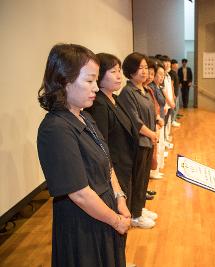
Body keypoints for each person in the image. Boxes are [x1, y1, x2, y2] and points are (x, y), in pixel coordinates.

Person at [37, 44, 131, 266]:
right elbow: (79, 193)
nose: (96, 88)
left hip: (105, 213)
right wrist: (116, 221)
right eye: (89, 81)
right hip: (83, 224)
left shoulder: (84, 116)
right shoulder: (55, 128)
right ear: (65, 82)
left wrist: (120, 198)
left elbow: (107, 162)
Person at [84, 53, 145, 223]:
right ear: (100, 75)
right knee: (118, 215)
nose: (119, 76)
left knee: (126, 211)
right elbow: (101, 146)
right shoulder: (99, 105)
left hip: (126, 165)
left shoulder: (115, 99)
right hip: (114, 171)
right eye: (113, 71)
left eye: (119, 71)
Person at [118, 52, 158, 229]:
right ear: (130, 70)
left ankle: (140, 208)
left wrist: (152, 134)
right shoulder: (128, 92)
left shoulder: (144, 90)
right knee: (137, 178)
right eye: (139, 68)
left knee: (143, 179)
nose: (144, 71)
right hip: (138, 142)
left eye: (145, 68)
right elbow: (135, 121)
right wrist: (151, 134)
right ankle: (134, 214)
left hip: (148, 141)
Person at [170, 59, 181, 127]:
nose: (177, 65)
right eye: (176, 64)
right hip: (174, 94)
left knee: (176, 107)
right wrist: (173, 94)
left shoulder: (175, 72)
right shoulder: (171, 73)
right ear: (173, 65)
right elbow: (171, 84)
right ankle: (172, 121)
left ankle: (174, 119)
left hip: (176, 93)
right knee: (174, 108)